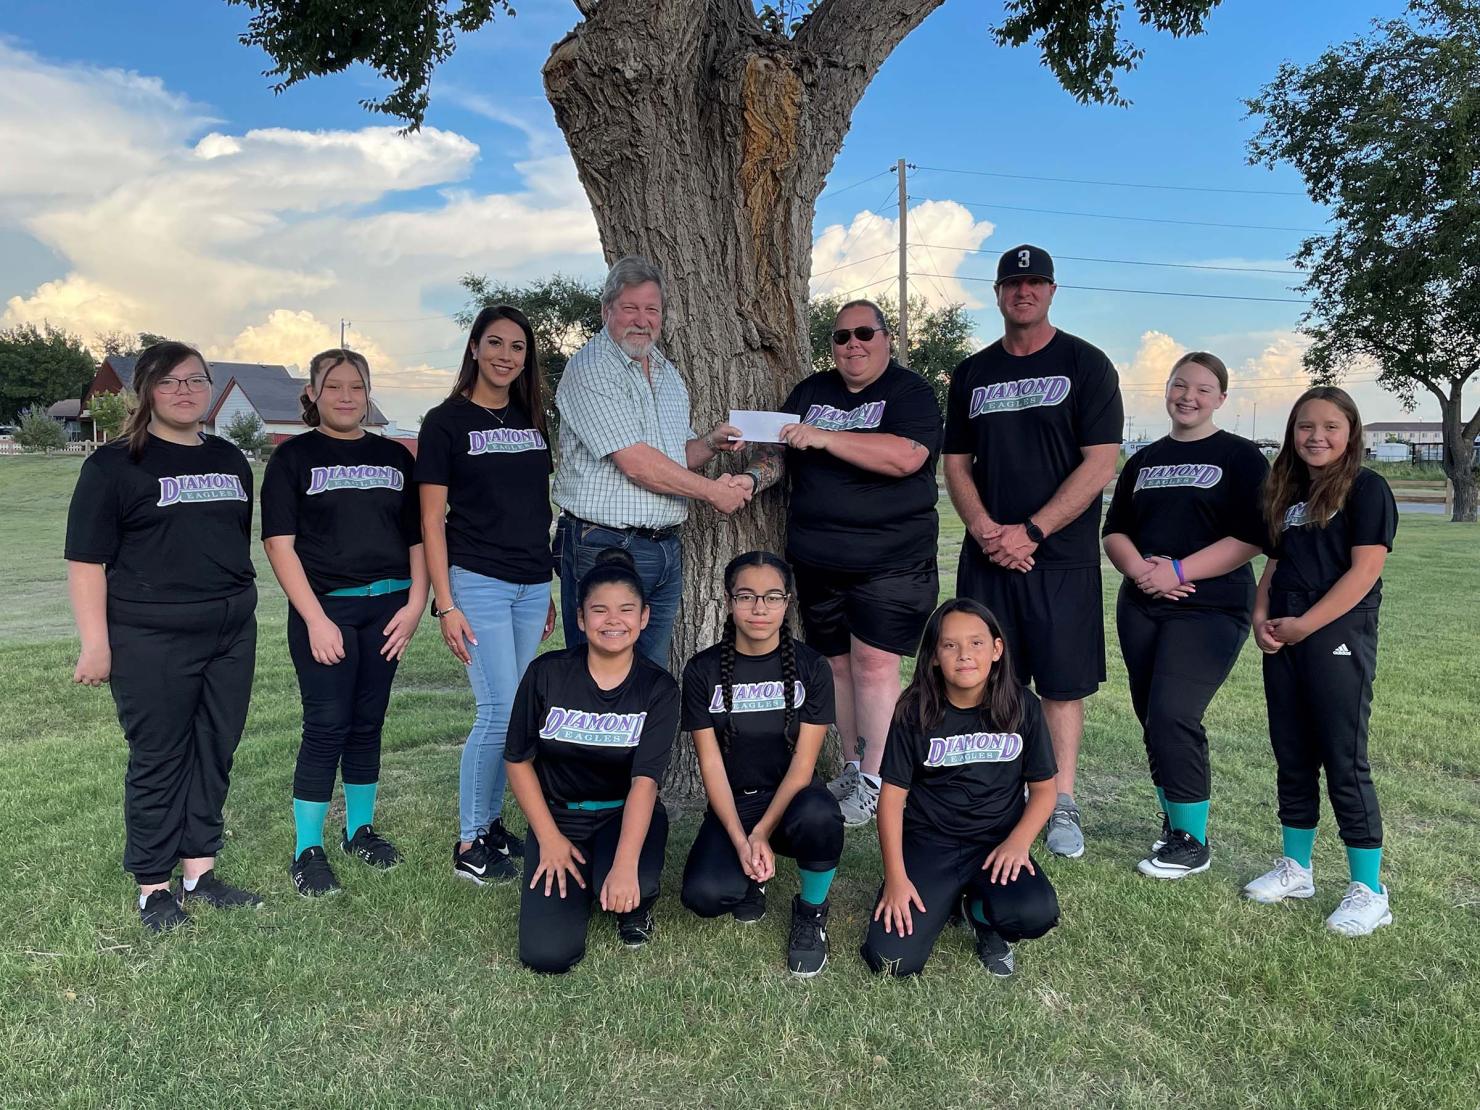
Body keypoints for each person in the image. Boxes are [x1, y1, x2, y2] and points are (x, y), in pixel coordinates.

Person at [65, 341, 261, 932]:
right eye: (170, 381)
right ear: (147, 390)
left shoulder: (231, 459)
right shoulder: (114, 466)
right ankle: (153, 885)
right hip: (151, 636)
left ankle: (199, 871)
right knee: (159, 757)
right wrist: (96, 643)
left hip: (230, 631)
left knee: (215, 749)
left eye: (196, 380)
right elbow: (85, 561)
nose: (185, 391)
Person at [943, 245, 1123, 860]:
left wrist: (1033, 532)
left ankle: (1062, 800)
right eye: (1013, 282)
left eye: (1036, 282)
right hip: (988, 554)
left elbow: (1101, 462)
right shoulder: (970, 374)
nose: (1024, 291)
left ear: (1051, 291)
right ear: (997, 294)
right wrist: (990, 531)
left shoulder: (1086, 364)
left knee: (1061, 685)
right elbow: (956, 464)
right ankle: (1001, 791)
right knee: (989, 676)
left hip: (1060, 558)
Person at [743, 299, 942, 827]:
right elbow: (776, 453)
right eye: (840, 337)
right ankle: (854, 768)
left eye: (864, 334)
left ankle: (878, 781)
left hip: (892, 561)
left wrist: (827, 437)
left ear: (886, 338)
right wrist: (747, 477)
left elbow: (908, 457)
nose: (852, 344)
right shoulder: (810, 392)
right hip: (817, 562)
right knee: (835, 666)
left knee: (875, 666)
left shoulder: (910, 392)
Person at [262, 348, 427, 897]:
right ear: (312, 394)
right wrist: (314, 619)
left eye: (356, 386)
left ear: (368, 392)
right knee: (327, 724)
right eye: (334, 386)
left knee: (368, 721)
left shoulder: (395, 457)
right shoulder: (293, 458)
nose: (346, 396)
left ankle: (360, 830)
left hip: (389, 609)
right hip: (327, 609)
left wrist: (414, 604)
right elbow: (278, 545)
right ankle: (307, 848)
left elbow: (418, 537)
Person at [1101, 352, 1268, 879]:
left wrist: (1178, 569)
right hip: (1142, 603)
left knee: (1175, 712)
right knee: (1151, 716)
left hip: (1211, 607)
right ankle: (1173, 824)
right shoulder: (1144, 460)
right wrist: (1141, 572)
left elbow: (1252, 537)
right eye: (1179, 385)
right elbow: (1115, 529)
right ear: (1166, 390)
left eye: (1202, 388)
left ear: (1221, 397)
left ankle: (1193, 843)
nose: (1188, 396)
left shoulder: (1242, 458)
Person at [1246, 387, 1397, 936]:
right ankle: (1297, 869)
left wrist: (1308, 624)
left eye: (1331, 427)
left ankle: (1368, 889)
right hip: (1284, 636)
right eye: (1306, 426)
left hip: (1336, 635)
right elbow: (1275, 562)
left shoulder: (1366, 489)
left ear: (1351, 433)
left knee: (1342, 757)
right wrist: (1260, 618)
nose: (1317, 437)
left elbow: (1364, 572)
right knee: (1291, 751)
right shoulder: (1288, 491)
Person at [417, 306, 557, 885]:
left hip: (530, 583)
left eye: (517, 347)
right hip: (477, 580)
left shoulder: (531, 417)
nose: (506, 355)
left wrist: (545, 586)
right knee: (498, 711)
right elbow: (431, 520)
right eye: (494, 343)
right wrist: (446, 603)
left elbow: (532, 507)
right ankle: (470, 841)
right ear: (474, 348)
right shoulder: (445, 421)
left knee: (517, 711)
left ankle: (494, 825)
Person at [552, 254, 748, 666]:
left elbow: (672, 457)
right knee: (596, 674)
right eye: (630, 308)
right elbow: (638, 463)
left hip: (663, 547)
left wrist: (709, 443)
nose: (642, 319)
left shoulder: (665, 372)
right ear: (607, 311)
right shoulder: (592, 369)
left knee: (649, 674)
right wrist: (714, 493)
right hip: (605, 544)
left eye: (651, 309)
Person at [860, 599, 1060, 978]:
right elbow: (890, 801)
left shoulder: (1022, 706)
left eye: (976, 643)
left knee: (1034, 913)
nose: (964, 655)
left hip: (996, 842)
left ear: (997, 649)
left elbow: (1045, 790)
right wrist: (897, 880)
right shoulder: (913, 709)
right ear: (934, 656)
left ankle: (981, 915)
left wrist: (1018, 843)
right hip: (932, 842)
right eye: (950, 645)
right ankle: (944, 897)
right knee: (892, 962)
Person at [505, 548, 680, 973]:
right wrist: (548, 838)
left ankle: (633, 902)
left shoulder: (658, 688)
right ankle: (584, 880)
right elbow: (517, 759)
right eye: (599, 610)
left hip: (623, 814)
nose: (612, 620)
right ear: (581, 619)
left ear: (643, 618)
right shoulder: (547, 673)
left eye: (626, 609)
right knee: (547, 955)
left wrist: (624, 867)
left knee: (626, 883)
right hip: (559, 816)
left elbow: (644, 782)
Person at [679, 551, 844, 977]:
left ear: (787, 602)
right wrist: (741, 839)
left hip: (792, 801)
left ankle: (811, 912)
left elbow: (804, 764)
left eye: (772, 597)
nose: (759, 609)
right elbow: (710, 765)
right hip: (733, 801)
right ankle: (751, 877)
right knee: (706, 896)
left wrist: (761, 833)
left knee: (821, 814)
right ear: (728, 601)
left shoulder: (811, 668)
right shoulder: (702, 671)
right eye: (746, 596)